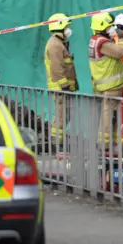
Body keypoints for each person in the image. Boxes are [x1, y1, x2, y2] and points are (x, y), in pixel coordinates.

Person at [88, 13, 123, 145]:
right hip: (111, 86)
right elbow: (120, 52)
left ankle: (110, 141)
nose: (112, 29)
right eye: (110, 27)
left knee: (111, 114)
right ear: (102, 27)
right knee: (108, 114)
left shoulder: (95, 40)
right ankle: (105, 142)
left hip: (104, 85)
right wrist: (122, 39)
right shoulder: (103, 43)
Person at [44, 13, 78, 145]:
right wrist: (65, 87)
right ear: (60, 26)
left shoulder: (59, 43)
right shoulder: (55, 45)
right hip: (61, 88)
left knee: (64, 115)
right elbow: (57, 68)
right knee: (62, 115)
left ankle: (57, 141)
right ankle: (56, 143)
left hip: (63, 87)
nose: (68, 29)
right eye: (66, 26)